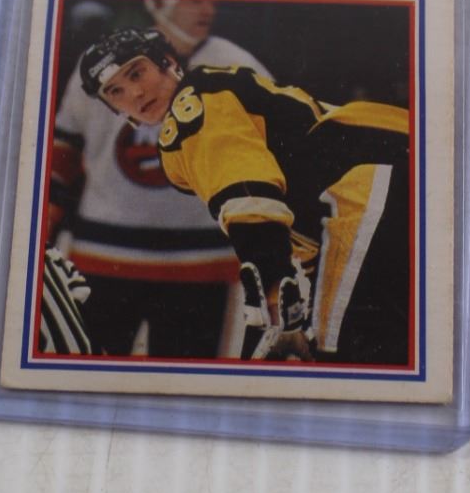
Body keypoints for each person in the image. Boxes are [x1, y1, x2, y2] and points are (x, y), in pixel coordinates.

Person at [77, 27, 411, 365]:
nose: (135, 93)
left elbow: (248, 195)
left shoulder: (191, 105)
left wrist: (273, 292)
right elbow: (300, 212)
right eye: (116, 91)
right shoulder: (214, 87)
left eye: (137, 73)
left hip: (369, 187)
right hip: (399, 167)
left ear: (167, 61)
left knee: (341, 355)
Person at [48, 0, 269, 358]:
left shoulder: (237, 63)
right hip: (102, 256)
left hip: (201, 264)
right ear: (156, 0)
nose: (207, 9)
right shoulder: (97, 66)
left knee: (186, 383)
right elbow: (64, 151)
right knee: (87, 375)